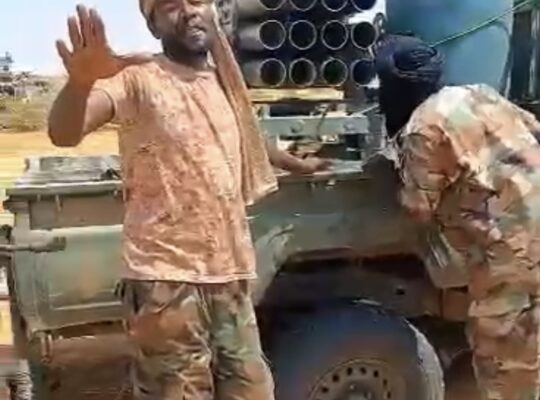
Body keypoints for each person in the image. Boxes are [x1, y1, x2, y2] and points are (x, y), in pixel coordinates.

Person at [47, 2, 329, 399]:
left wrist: (296, 163)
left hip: (230, 274)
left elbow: (246, 136)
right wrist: (79, 85)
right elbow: (64, 133)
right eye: (170, 6)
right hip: (167, 281)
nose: (188, 11)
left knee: (253, 391)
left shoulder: (224, 82)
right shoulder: (136, 78)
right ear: (153, 25)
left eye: (196, 1)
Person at [374, 34, 540, 400]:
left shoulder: (423, 127)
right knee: (531, 342)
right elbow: (532, 129)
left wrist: (394, 172)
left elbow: (418, 208)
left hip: (510, 252)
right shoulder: (479, 92)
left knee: (502, 360)